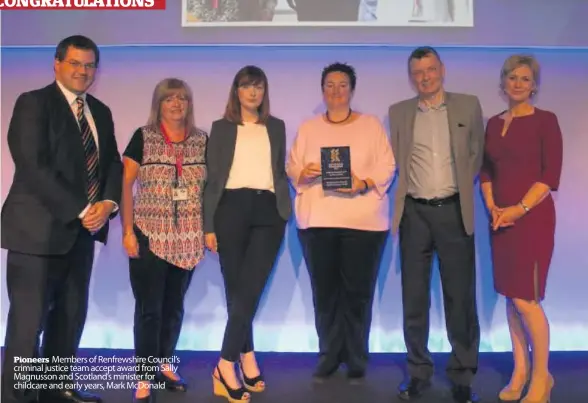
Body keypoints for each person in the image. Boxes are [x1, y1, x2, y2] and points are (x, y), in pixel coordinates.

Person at [1, 35, 122, 403]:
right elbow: (33, 166)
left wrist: (109, 202)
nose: (83, 71)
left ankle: (56, 389)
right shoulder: (34, 103)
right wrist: (84, 210)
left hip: (81, 237)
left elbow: (113, 163)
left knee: (69, 319)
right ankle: (19, 398)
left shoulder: (99, 111)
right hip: (35, 235)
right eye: (75, 63)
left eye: (89, 65)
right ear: (57, 63)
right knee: (28, 325)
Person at [286, 62, 396, 382]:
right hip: (318, 220)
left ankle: (357, 356)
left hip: (364, 223)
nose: (336, 91)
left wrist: (363, 183)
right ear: (323, 90)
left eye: (343, 85)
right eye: (330, 85)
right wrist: (302, 173)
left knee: (358, 293)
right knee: (325, 293)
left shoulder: (371, 125)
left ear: (352, 89)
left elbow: (387, 165)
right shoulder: (308, 128)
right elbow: (293, 167)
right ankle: (329, 354)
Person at [388, 46, 484, 403]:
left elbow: (476, 156)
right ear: (411, 76)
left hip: (453, 212)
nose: (424, 77)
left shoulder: (468, 105)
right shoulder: (398, 112)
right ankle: (417, 373)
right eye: (417, 72)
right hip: (414, 213)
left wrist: (454, 191)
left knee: (459, 297)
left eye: (430, 70)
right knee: (413, 297)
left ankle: (462, 375)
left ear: (442, 69)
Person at [203, 65, 290, 402]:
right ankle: (246, 357)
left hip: (269, 210)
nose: (253, 92)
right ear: (236, 90)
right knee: (238, 291)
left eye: (259, 86)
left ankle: (225, 363)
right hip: (231, 209)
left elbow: (281, 169)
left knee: (251, 288)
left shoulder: (277, 126)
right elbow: (212, 181)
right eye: (246, 86)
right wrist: (208, 225)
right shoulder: (221, 128)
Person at [120, 78, 208, 402]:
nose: (176, 104)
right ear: (158, 104)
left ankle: (165, 363)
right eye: (169, 99)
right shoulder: (143, 137)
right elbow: (126, 184)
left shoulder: (201, 140)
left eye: (182, 98)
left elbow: (209, 189)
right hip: (149, 235)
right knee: (149, 310)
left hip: (187, 238)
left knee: (174, 308)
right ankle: (144, 374)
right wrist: (128, 231)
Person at [480, 54, 562, 403]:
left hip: (532, 220)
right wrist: (493, 206)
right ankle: (520, 370)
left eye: (525, 79)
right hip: (499, 220)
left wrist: (518, 209)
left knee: (526, 299)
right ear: (503, 83)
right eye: (512, 77)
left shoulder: (546, 121)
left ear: (534, 86)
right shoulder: (494, 123)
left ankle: (542, 378)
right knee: (512, 299)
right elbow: (486, 171)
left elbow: (549, 176)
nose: (517, 83)